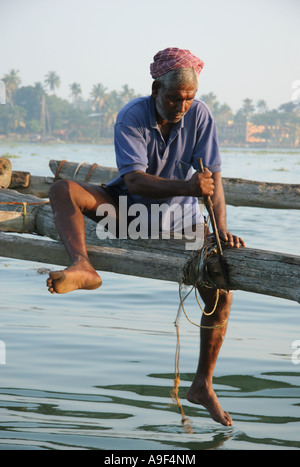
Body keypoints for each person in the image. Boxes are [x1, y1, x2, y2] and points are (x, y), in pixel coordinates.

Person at [46, 47, 245, 427]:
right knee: (61, 190)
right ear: (155, 89)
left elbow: (213, 179)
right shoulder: (131, 117)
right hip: (127, 213)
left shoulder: (200, 115)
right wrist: (189, 187)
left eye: (188, 97)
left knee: (220, 291)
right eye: (174, 97)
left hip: (181, 224)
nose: (181, 105)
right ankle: (83, 265)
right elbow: (135, 180)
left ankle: (202, 384)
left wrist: (220, 229)